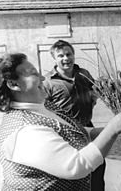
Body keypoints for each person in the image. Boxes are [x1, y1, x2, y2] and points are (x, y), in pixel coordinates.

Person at [0, 53, 121, 191]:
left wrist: (112, 130)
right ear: (14, 84)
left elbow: (74, 132)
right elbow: (77, 166)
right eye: (33, 74)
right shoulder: (25, 131)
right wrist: (112, 129)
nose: (43, 77)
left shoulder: (43, 105)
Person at [43, 40, 106, 191]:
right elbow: (44, 111)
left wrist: (93, 97)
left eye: (68, 54)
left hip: (88, 127)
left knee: (98, 166)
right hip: (66, 133)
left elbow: (96, 91)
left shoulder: (83, 74)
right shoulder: (48, 82)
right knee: (76, 172)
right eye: (61, 55)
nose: (66, 58)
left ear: (73, 55)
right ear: (54, 58)